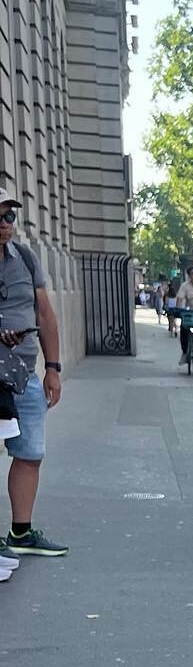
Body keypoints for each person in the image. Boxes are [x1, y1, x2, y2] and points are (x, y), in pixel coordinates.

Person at [0, 188, 68, 559]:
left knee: (30, 451)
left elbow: (45, 314)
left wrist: (53, 369)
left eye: (9, 216)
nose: (5, 224)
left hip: (23, 372)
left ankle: (21, 533)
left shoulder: (25, 258)